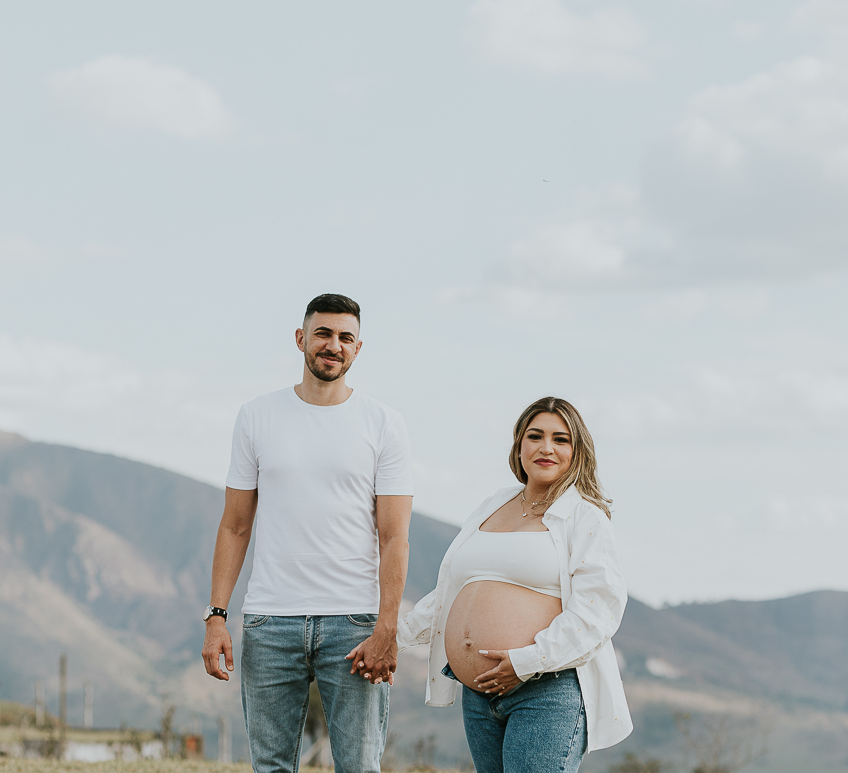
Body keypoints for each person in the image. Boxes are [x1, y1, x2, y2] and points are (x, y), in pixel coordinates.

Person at [202, 293, 415, 773]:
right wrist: (217, 616)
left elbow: (394, 539)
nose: (333, 345)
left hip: (355, 624)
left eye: (345, 337)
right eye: (323, 333)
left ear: (358, 349)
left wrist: (387, 628)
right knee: (271, 767)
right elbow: (235, 525)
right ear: (301, 339)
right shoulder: (257, 416)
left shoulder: (385, 425)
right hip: (269, 621)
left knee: (359, 767)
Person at [398, 396, 632, 773]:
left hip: (547, 691)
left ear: (578, 451)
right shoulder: (493, 504)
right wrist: (392, 638)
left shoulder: (585, 517)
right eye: (535, 436)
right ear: (519, 445)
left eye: (561, 439)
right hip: (478, 696)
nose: (546, 448)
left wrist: (524, 663)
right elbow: (449, 594)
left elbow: (597, 612)